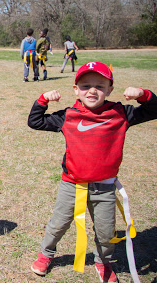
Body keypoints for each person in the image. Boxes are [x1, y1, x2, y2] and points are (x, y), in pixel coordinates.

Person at [28, 61, 157, 283]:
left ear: (110, 90)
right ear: (76, 89)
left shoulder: (120, 113)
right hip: (72, 185)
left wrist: (143, 94)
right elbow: (35, 121)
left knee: (107, 232)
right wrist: (43, 99)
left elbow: (154, 110)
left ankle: (103, 262)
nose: (93, 90)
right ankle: (45, 254)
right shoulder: (68, 115)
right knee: (59, 224)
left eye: (100, 85)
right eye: (86, 85)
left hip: (105, 187)